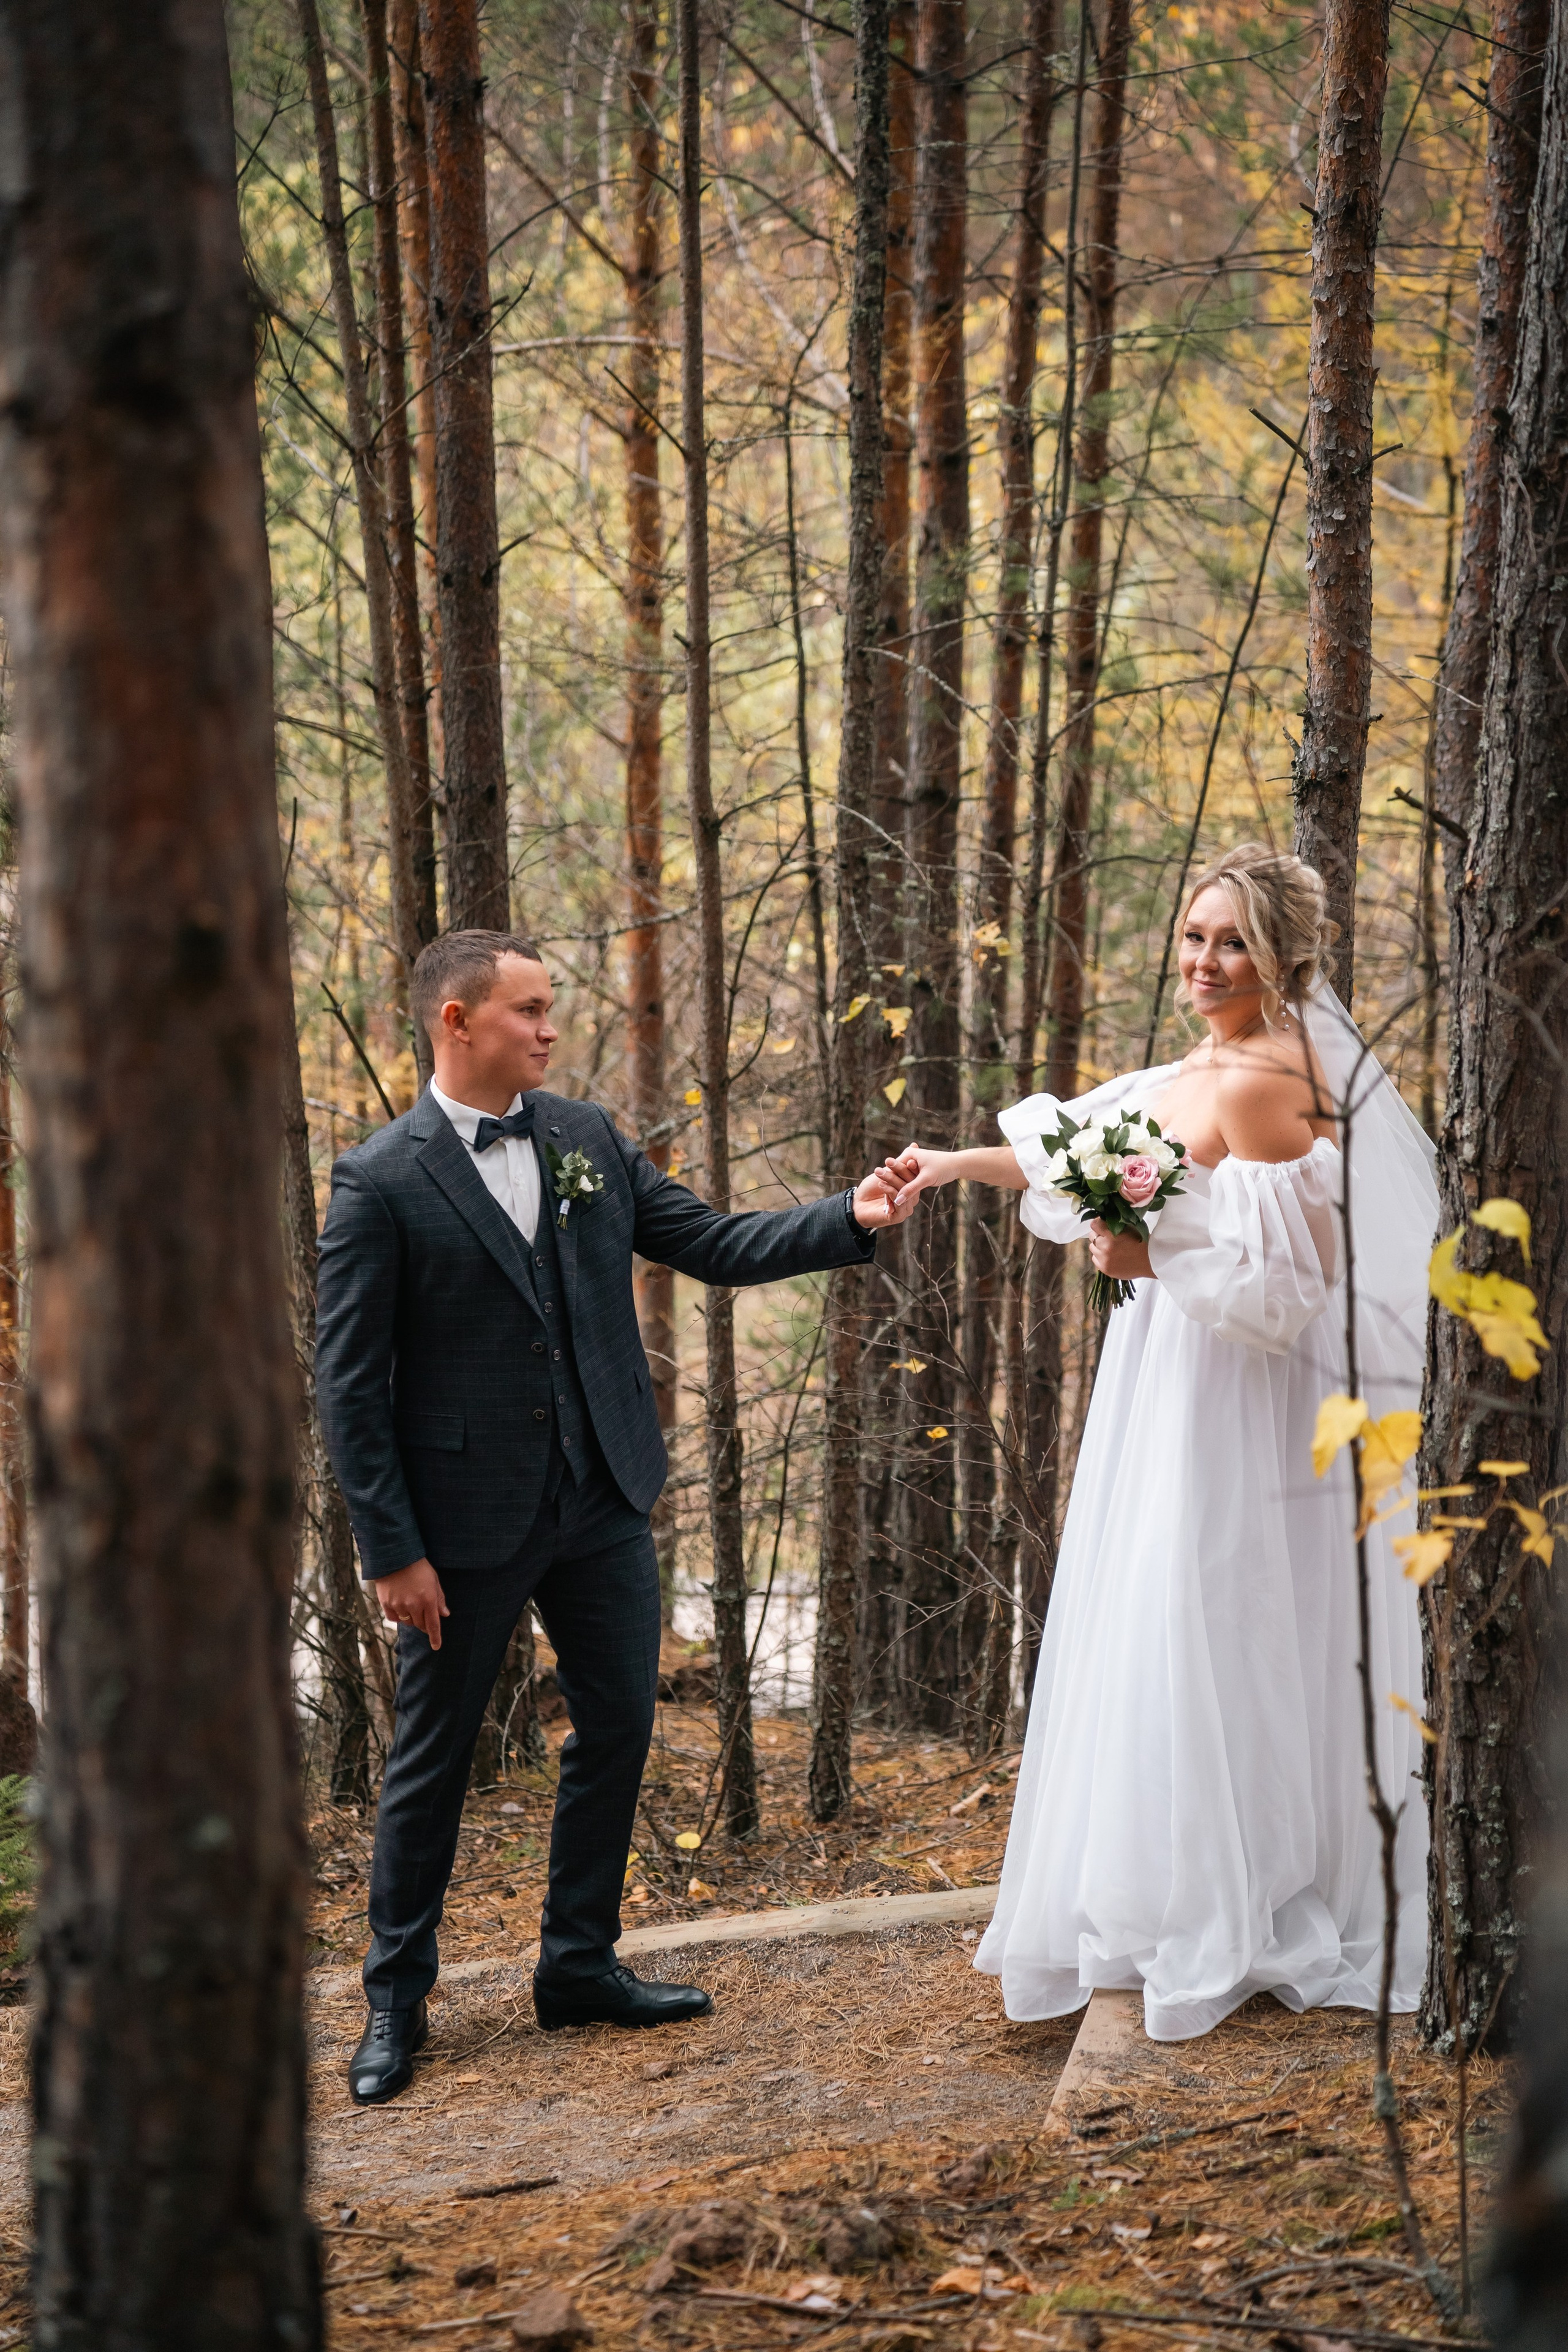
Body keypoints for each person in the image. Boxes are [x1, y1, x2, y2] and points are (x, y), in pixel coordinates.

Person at [317, 929, 916, 2103]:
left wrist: (850, 1214)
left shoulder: (587, 1138)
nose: (551, 1028)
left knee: (619, 1732)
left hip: (601, 1500)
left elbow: (713, 1245)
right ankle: (396, 2002)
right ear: (457, 1022)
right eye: (530, 1011)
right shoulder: (379, 1181)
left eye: (552, 1008)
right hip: (461, 1527)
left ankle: (578, 1966)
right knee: (430, 1764)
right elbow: (349, 1387)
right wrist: (392, 1549)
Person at [880, 845, 1438, 2040]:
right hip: (1168, 1378)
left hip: (1241, 1393)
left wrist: (1150, 1254)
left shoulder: (1269, 1078)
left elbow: (1297, 1287)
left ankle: (1248, 1900)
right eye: (1192, 937)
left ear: (1285, 953)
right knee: (1157, 1619)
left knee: (1217, 1618)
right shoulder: (1203, 1060)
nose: (1200, 960)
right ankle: (1173, 1889)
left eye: (1228, 941)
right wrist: (945, 1165)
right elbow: (1084, 1150)